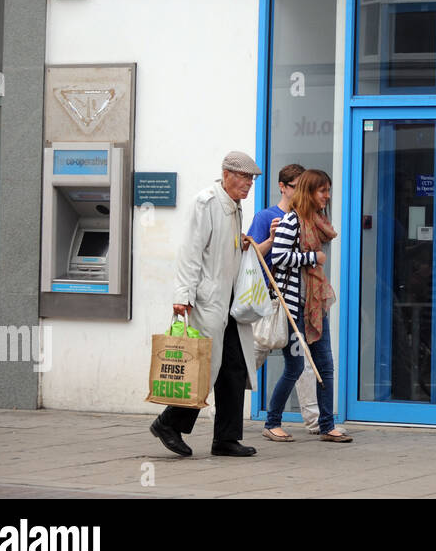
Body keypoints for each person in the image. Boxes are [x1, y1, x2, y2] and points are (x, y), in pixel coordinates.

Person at [150, 152, 263, 458]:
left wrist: (239, 243)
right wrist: (182, 296)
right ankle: (168, 423)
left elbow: (221, 250)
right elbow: (191, 251)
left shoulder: (234, 207)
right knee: (203, 367)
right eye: (245, 178)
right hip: (206, 301)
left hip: (229, 303)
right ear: (227, 174)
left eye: (252, 180)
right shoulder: (207, 203)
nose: (249, 185)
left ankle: (226, 438)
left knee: (234, 369)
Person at [265, 169, 352, 443]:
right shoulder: (291, 221)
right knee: (295, 367)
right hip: (292, 307)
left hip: (314, 307)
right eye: (322, 190)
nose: (326, 196)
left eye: (328, 190)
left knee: (325, 365)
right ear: (309, 193)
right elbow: (278, 256)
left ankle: (327, 425)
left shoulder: (316, 222)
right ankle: (272, 422)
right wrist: (312, 257)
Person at [248, 163, 321, 436]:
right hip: (268, 300)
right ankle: (212, 407)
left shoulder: (306, 219)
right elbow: (252, 255)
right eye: (295, 186)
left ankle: (313, 420)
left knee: (299, 362)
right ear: (283, 187)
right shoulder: (266, 216)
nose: (301, 192)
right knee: (252, 358)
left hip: (294, 301)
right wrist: (272, 238)